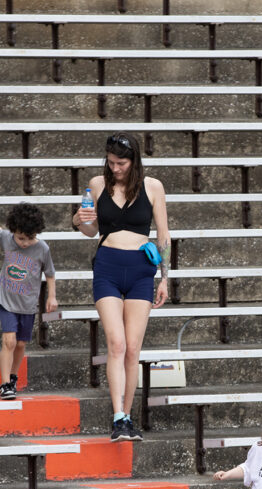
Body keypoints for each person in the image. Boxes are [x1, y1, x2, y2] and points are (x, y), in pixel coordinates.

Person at [72, 132, 170, 442]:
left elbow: (164, 236)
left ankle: (127, 417)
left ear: (134, 161)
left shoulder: (153, 187)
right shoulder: (97, 184)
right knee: (116, 343)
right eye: (111, 162)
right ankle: (117, 416)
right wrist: (79, 219)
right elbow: (90, 231)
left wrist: (165, 276)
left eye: (122, 163)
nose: (116, 168)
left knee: (132, 349)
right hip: (108, 266)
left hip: (142, 269)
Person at [0, 204, 57, 400]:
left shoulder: (42, 248)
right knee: (9, 341)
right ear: (14, 232)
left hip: (28, 304)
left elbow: (49, 273)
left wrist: (52, 296)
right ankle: (5, 383)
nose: (25, 243)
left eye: (30, 238)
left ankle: (13, 376)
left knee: (21, 344)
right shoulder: (8, 239)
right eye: (21, 238)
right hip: (7, 301)